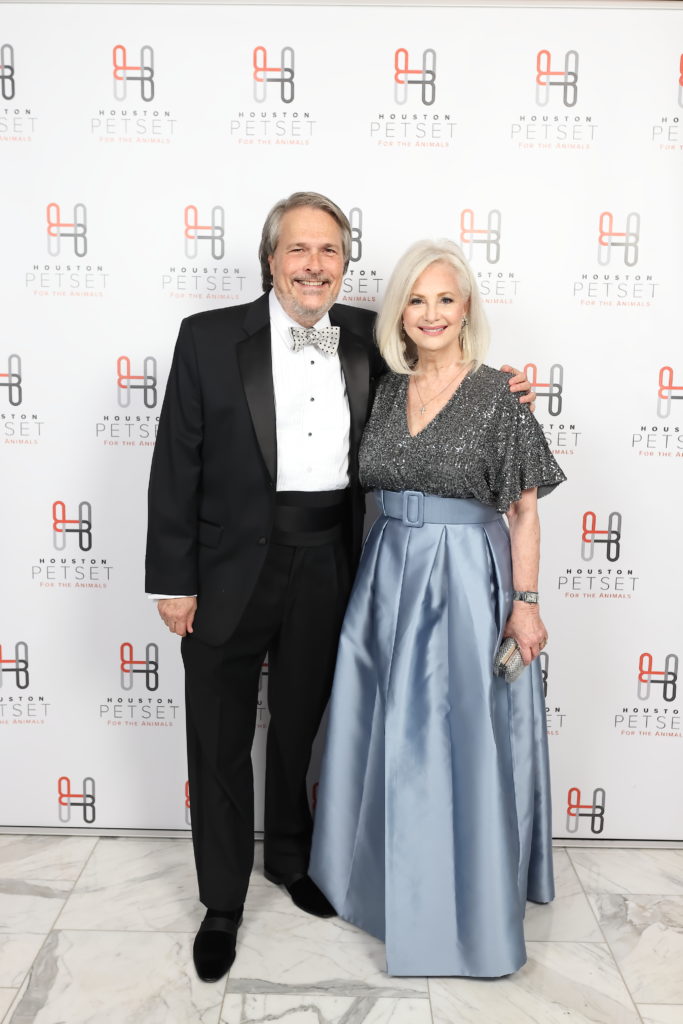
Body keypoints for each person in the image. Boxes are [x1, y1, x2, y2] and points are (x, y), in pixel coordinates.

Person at [145, 196, 535, 983]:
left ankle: (292, 862)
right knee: (219, 740)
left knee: (299, 726)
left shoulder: (368, 334)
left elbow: (442, 373)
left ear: (344, 264)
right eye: (299, 250)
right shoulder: (207, 338)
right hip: (226, 571)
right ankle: (221, 904)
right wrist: (174, 579)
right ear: (270, 259)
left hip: (333, 561)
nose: (314, 264)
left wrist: (502, 395)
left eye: (329, 250)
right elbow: (174, 464)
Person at [309, 239, 566, 978]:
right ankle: (374, 883)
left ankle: (467, 903)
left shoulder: (496, 394)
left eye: (445, 299)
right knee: (382, 726)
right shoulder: (382, 387)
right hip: (385, 573)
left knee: (454, 737)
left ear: (467, 308)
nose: (430, 313)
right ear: (398, 312)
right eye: (415, 300)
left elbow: (523, 512)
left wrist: (524, 604)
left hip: (463, 579)